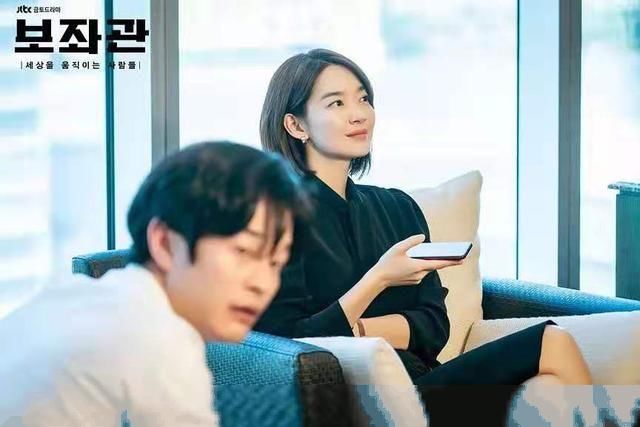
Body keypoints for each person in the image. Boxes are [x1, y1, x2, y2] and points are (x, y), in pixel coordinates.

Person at [255, 48, 593, 426]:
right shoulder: (275, 219)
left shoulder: (399, 207)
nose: (359, 114)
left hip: (421, 384)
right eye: (336, 103)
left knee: (549, 391)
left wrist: (359, 330)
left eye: (363, 99)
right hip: (351, 401)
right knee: (551, 342)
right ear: (295, 125)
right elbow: (285, 345)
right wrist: (379, 279)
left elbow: (434, 325)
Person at [0, 142, 310, 426]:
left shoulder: (75, 298)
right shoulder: (160, 336)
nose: (263, 284)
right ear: (164, 243)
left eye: (276, 263)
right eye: (244, 252)